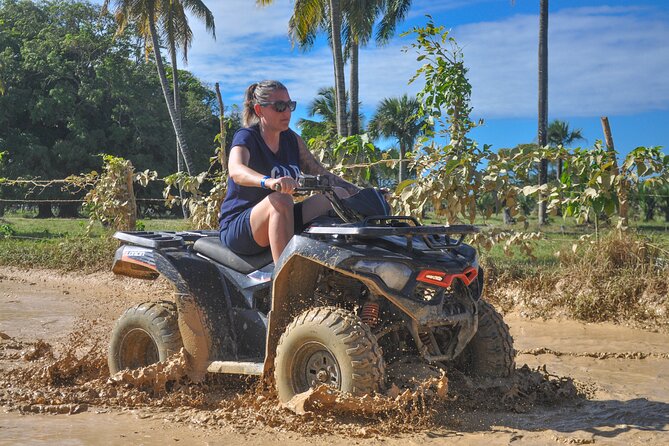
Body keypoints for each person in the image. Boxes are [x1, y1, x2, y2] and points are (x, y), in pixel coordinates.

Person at [219, 80, 358, 264]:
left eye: (289, 105)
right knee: (281, 199)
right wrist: (268, 182)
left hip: (283, 218)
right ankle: (286, 282)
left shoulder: (291, 139)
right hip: (241, 227)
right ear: (259, 110)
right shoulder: (246, 137)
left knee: (339, 195)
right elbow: (236, 170)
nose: (286, 112)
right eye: (279, 106)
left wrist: (360, 192)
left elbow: (321, 173)